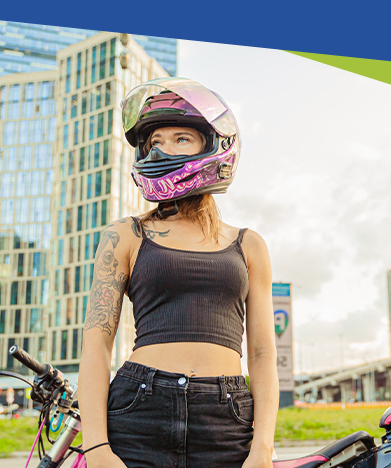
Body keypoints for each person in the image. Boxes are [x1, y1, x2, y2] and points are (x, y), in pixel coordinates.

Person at [77, 78, 278, 468]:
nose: (162, 149)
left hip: (226, 416)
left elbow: (262, 352)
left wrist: (263, 447)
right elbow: (97, 344)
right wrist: (97, 446)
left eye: (180, 138)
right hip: (139, 409)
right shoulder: (125, 234)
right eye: (155, 142)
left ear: (213, 145)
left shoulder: (249, 244)